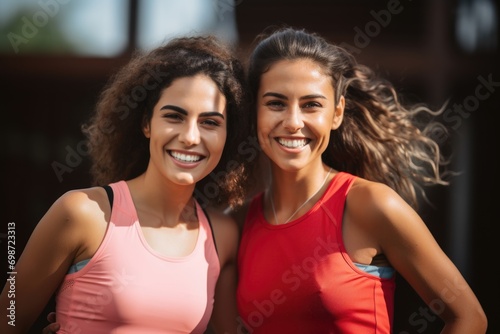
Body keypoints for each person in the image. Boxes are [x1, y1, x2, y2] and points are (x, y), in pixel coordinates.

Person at [235, 27, 488, 333]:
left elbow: (469, 318)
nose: (293, 122)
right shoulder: (240, 223)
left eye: (311, 105)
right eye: (275, 103)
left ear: (337, 113)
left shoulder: (371, 205)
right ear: (254, 112)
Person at [0, 35, 252, 334]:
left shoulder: (221, 236)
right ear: (146, 123)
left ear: (227, 136)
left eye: (210, 122)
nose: (190, 137)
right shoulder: (84, 213)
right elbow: (8, 319)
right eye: (174, 116)